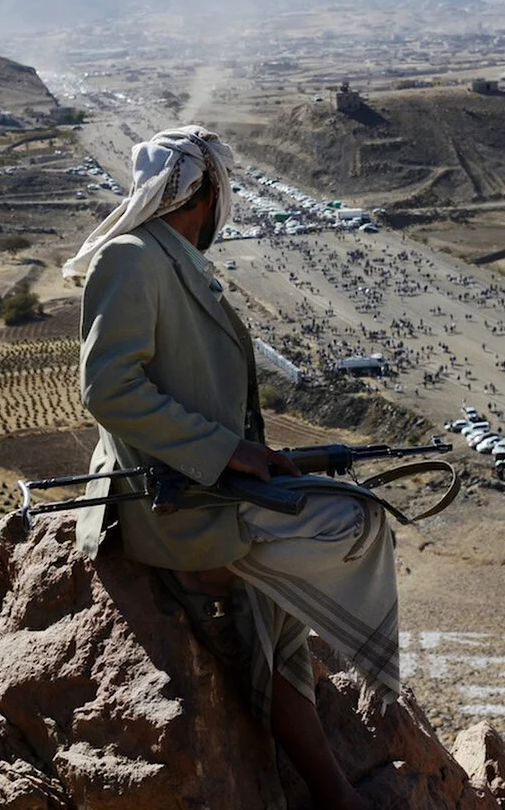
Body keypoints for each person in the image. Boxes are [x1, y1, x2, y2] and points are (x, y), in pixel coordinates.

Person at [65, 126, 390, 810]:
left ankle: (331, 785)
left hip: (211, 482)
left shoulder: (168, 255)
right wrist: (225, 451)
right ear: (205, 191)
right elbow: (107, 390)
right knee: (351, 522)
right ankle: (346, 737)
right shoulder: (130, 258)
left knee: (296, 589)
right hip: (175, 504)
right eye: (225, 188)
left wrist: (240, 455)